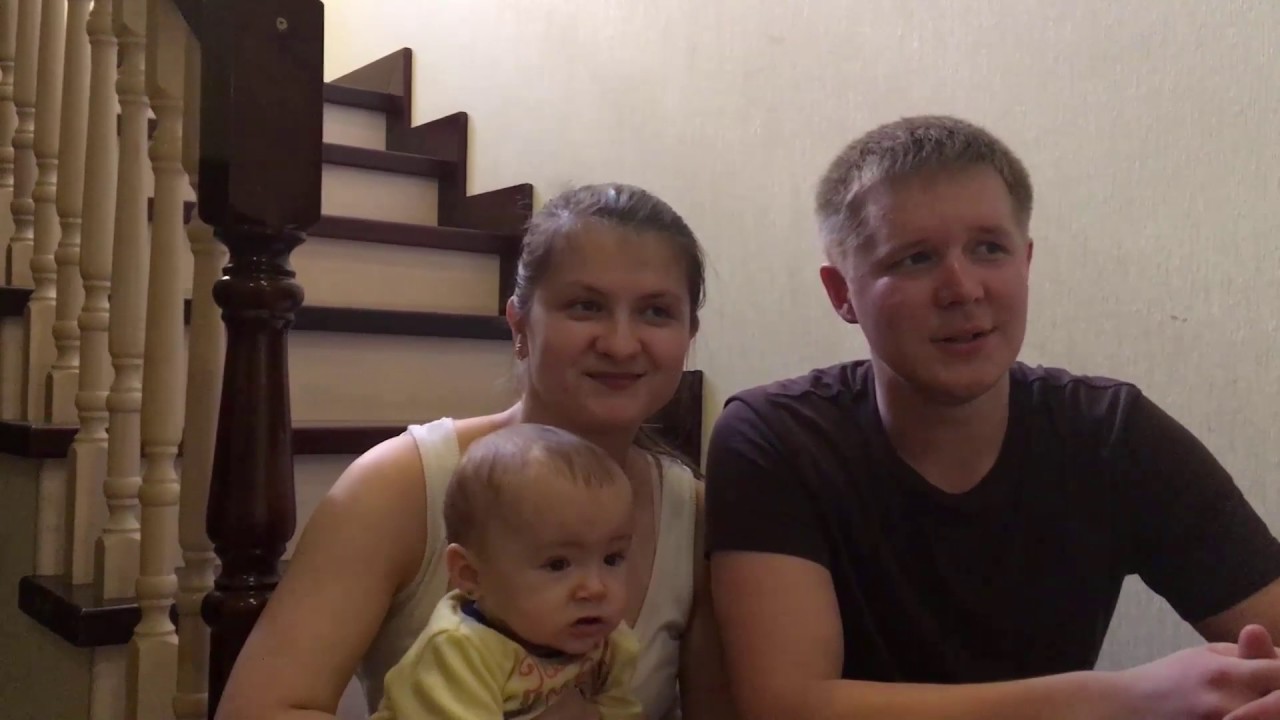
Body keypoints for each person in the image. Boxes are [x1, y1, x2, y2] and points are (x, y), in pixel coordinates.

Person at [704, 115, 1280, 719]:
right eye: (915, 258)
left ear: (1025, 262)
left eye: (989, 249)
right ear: (841, 292)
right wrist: (1131, 697)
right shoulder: (775, 439)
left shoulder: (1112, 433)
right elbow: (790, 706)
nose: (963, 288)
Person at [216, 183, 731, 720]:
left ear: (688, 335)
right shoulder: (400, 486)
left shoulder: (694, 513)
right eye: (586, 306)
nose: (621, 344)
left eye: (656, 312)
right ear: (520, 325)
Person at [372, 423, 644, 720]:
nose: (596, 588)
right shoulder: (460, 651)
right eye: (558, 564)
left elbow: (623, 712)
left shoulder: (610, 643)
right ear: (471, 575)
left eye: (612, 559)